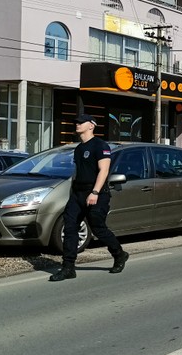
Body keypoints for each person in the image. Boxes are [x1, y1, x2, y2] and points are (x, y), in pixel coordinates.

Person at [50, 114, 128, 281]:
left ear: (91, 125)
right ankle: (68, 267)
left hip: (96, 193)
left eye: (81, 122)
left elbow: (104, 170)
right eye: (76, 122)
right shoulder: (78, 149)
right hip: (77, 194)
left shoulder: (100, 145)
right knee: (70, 227)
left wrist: (95, 192)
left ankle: (119, 254)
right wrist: (72, 193)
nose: (77, 124)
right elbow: (77, 172)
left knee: (98, 228)